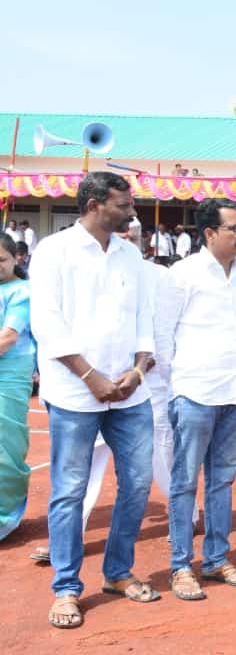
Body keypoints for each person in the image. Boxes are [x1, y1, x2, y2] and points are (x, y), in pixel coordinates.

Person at [30, 172, 157, 629]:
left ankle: (118, 572)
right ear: (93, 205)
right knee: (70, 489)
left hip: (128, 393)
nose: (131, 212)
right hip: (74, 394)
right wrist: (90, 377)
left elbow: (143, 317)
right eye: (123, 204)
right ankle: (66, 588)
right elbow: (47, 323)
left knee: (138, 483)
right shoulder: (55, 251)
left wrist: (138, 370)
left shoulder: (129, 254)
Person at [158, 199, 236, 600]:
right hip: (194, 392)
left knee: (223, 480)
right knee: (184, 482)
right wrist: (179, 384)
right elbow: (163, 337)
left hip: (233, 392)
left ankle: (216, 558)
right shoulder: (183, 275)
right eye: (235, 228)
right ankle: (181, 565)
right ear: (210, 233)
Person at [0, 233, 33, 542]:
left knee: (4, 446)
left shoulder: (22, 291)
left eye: (1, 259)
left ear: (16, 259)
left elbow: (9, 337)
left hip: (9, 373)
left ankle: (3, 517)